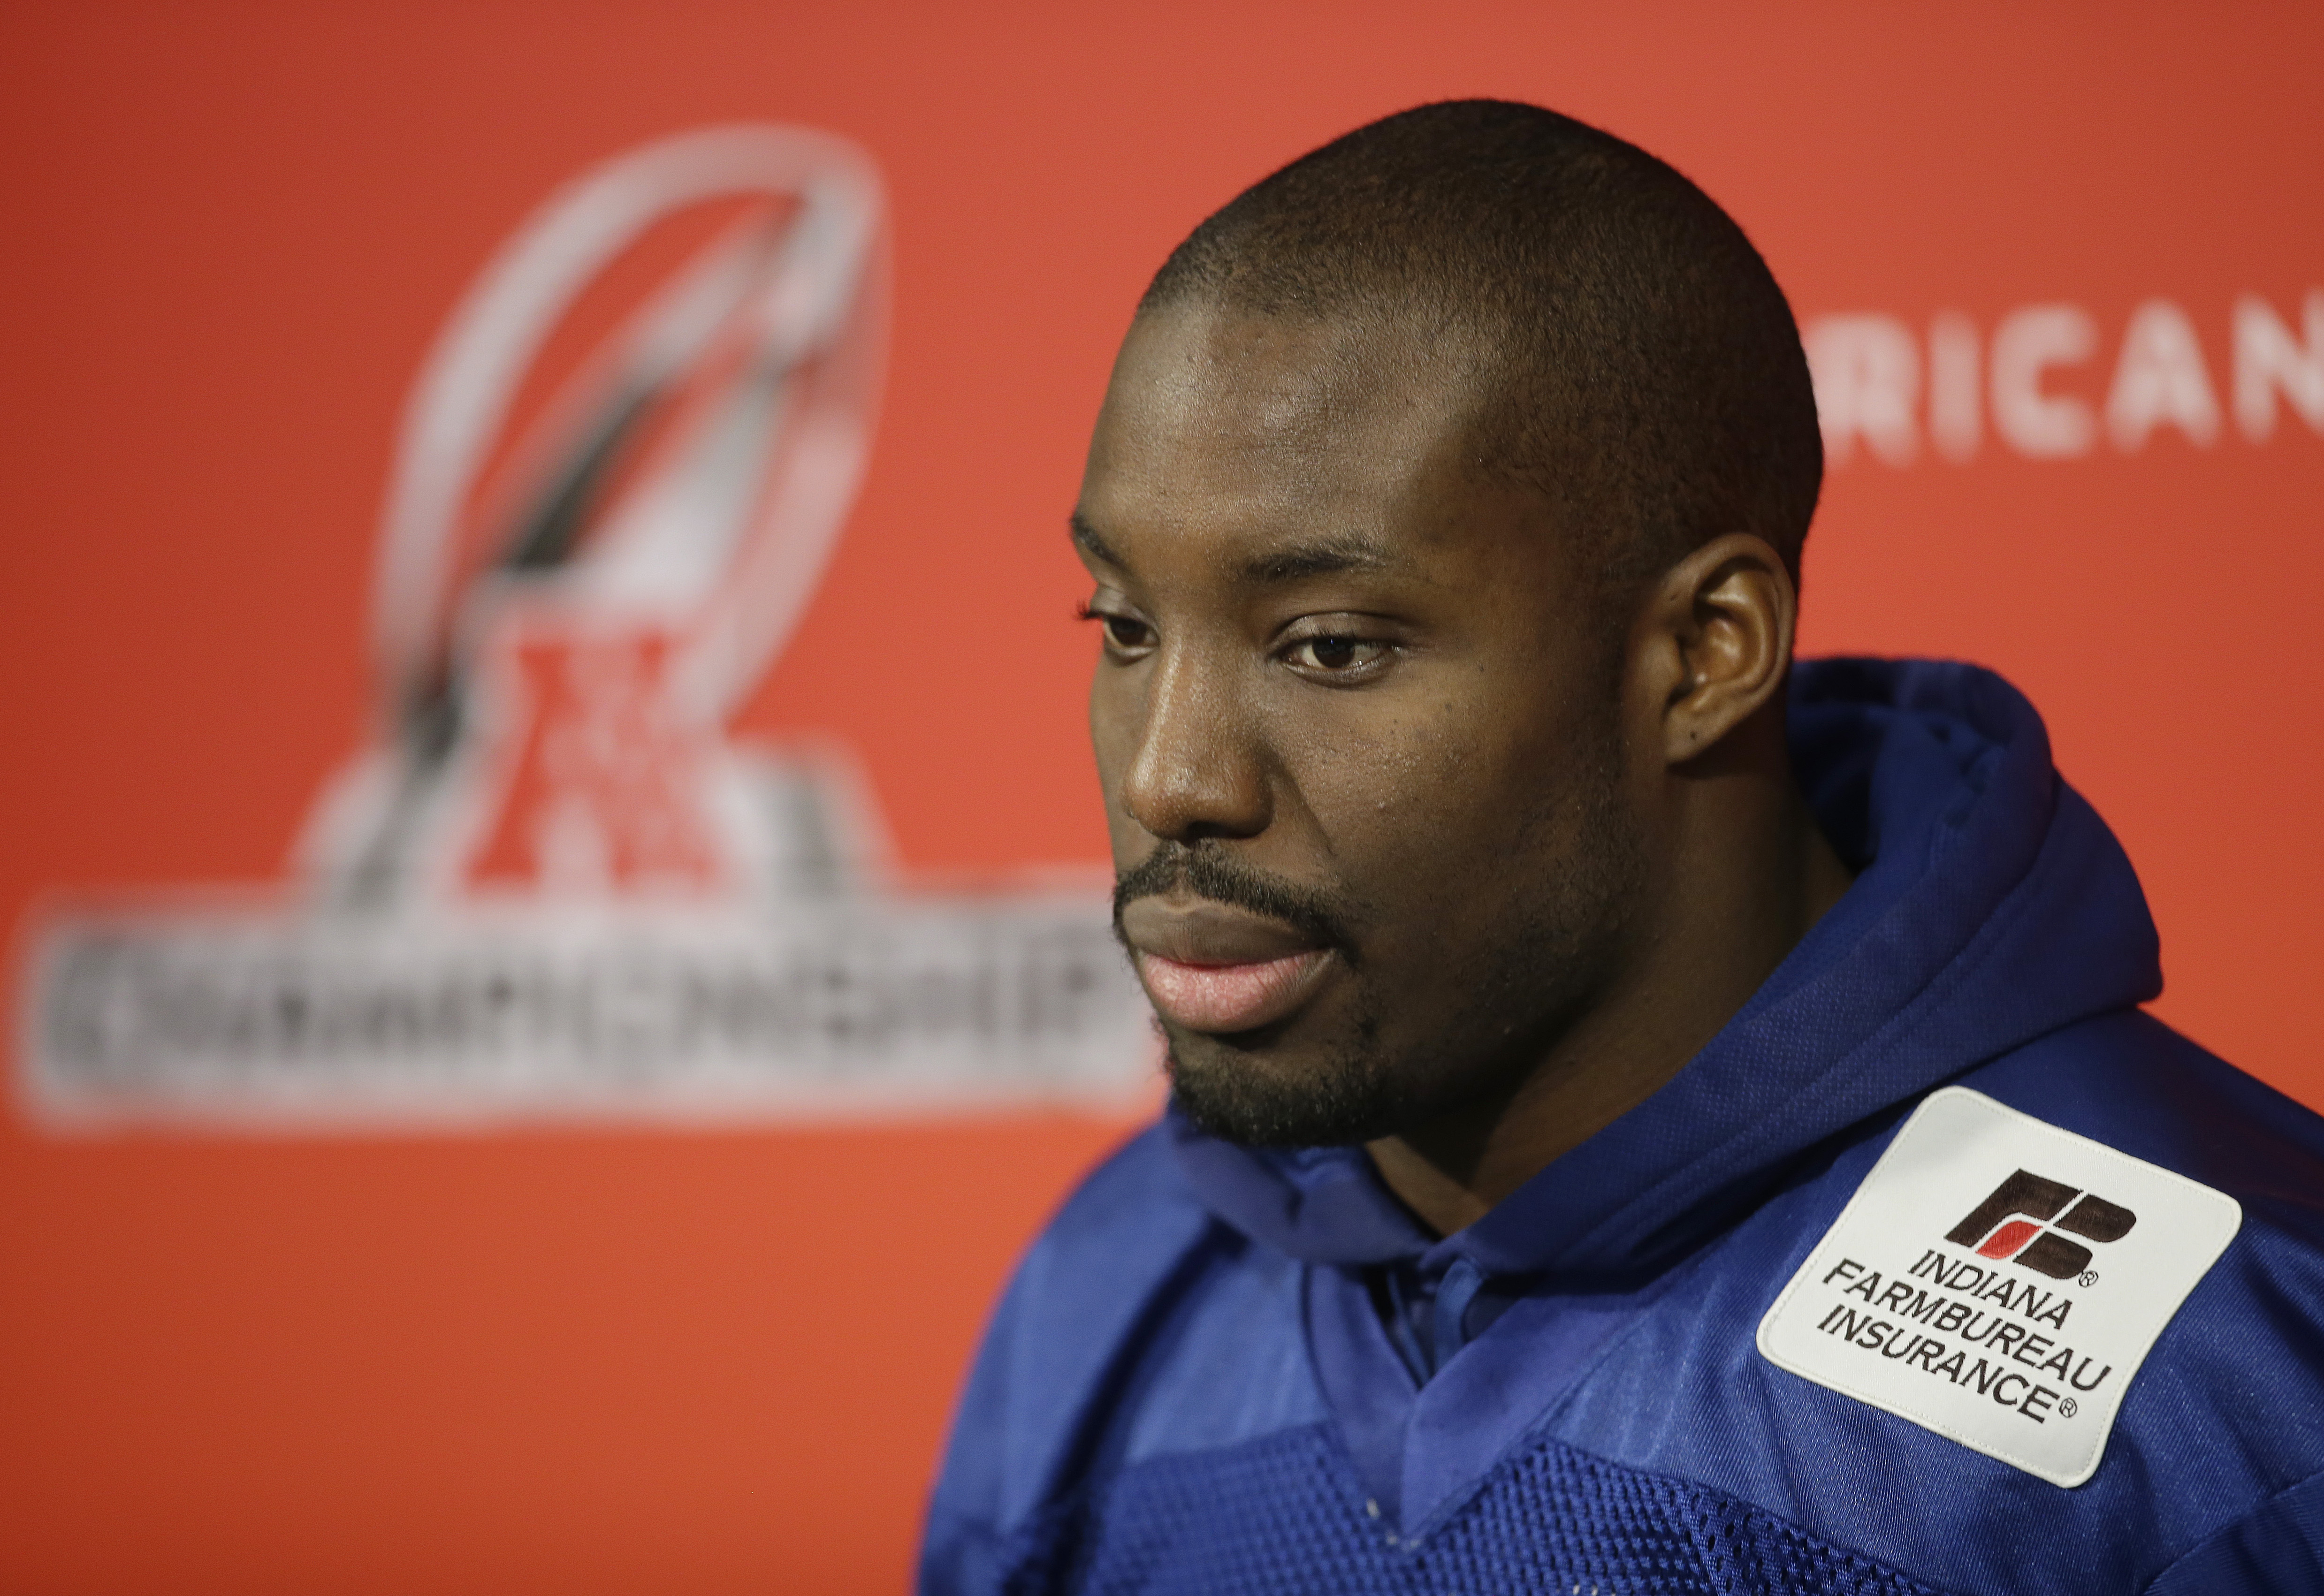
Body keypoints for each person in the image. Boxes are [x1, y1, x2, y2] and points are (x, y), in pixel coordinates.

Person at [918, 100, 2324, 1595]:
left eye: (1325, 647)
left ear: (1705, 652)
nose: (1169, 774)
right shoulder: (1106, 1290)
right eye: (1125, 628)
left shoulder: (2231, 1375)